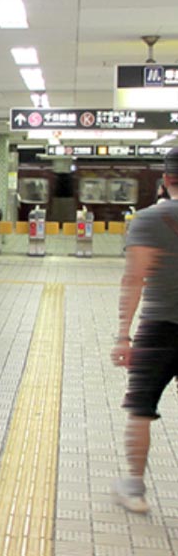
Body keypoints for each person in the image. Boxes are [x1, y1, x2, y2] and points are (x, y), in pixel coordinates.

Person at [111, 147, 178, 514]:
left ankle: (134, 490)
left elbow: (134, 278)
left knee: (141, 409)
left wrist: (124, 335)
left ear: (166, 180)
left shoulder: (149, 220)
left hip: (158, 330)